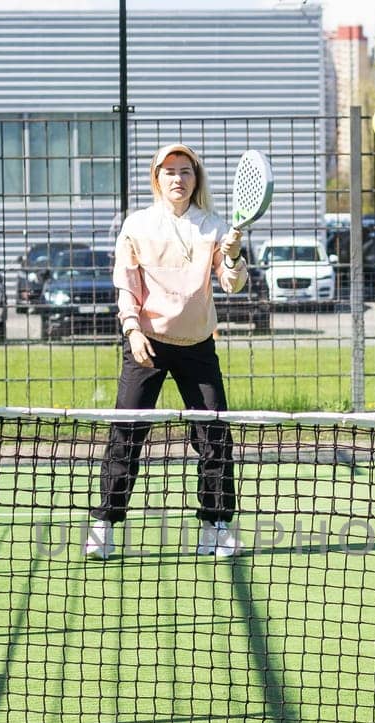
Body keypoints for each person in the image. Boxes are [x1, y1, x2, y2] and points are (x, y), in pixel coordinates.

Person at [83, 143, 249, 560]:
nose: (178, 179)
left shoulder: (214, 227)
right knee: (126, 436)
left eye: (186, 171)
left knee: (215, 439)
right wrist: (132, 330)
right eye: (170, 171)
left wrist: (232, 258)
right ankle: (104, 525)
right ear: (156, 178)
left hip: (198, 349)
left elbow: (233, 285)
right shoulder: (137, 225)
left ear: (197, 179)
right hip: (146, 344)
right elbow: (127, 285)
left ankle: (215, 526)